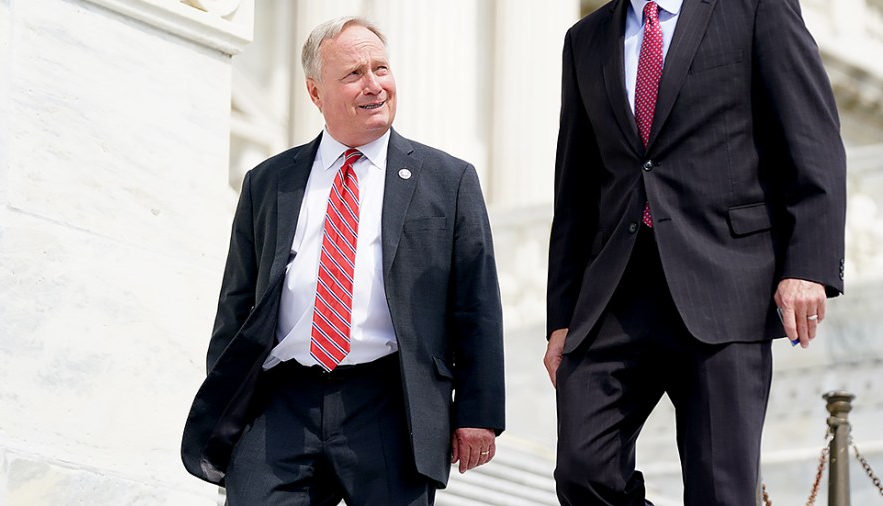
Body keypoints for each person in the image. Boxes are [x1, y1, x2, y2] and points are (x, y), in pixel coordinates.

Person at [181, 17, 504, 505]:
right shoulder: (268, 182)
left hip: (388, 402)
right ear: (315, 92)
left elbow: (476, 305)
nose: (374, 85)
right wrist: (227, 401)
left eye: (381, 68)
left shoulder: (448, 180)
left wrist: (478, 411)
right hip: (281, 402)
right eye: (354, 74)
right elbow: (236, 306)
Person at [544, 0, 846, 504]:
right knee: (582, 470)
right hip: (615, 296)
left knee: (720, 492)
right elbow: (575, 190)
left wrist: (807, 268)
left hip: (726, 284)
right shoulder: (585, 39)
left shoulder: (755, 9)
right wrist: (561, 317)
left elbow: (812, 139)